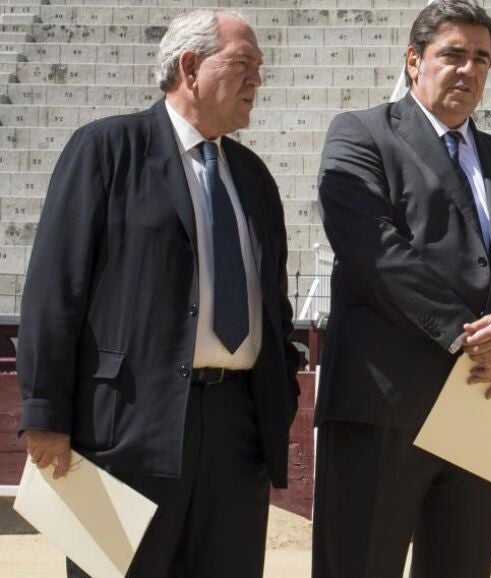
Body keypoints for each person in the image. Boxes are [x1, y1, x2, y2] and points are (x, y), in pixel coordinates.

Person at [17, 10, 301, 578]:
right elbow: (55, 287)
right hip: (126, 427)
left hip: (236, 431)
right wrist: (44, 411)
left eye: (259, 67)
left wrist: (281, 393)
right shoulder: (107, 149)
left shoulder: (253, 176)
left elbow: (273, 301)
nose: (257, 80)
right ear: (190, 67)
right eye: (243, 63)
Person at [312, 0, 491, 576]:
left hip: (484, 403)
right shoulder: (361, 135)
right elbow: (376, 253)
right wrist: (469, 336)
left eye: (481, 58)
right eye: (452, 54)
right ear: (414, 61)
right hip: (384, 402)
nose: (468, 69)